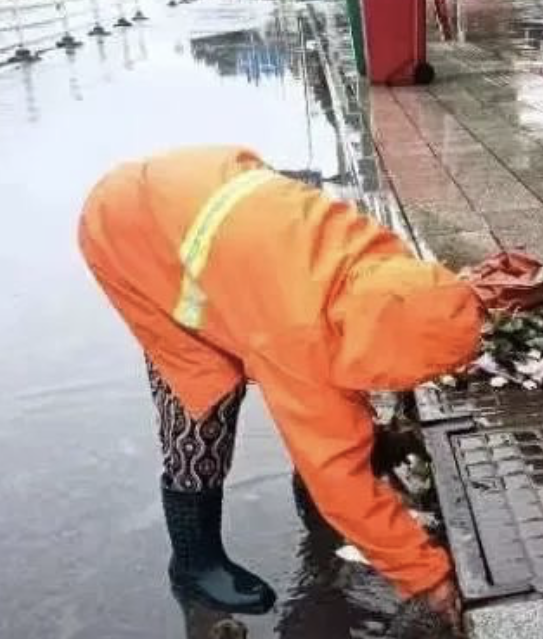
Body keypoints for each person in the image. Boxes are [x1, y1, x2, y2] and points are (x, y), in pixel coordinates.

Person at [78, 146, 482, 631]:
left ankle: (323, 467)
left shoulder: (382, 261)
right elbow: (336, 471)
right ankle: (194, 563)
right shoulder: (299, 333)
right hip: (129, 234)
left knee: (320, 384)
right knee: (203, 390)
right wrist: (428, 578)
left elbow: (352, 363)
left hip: (193, 192)